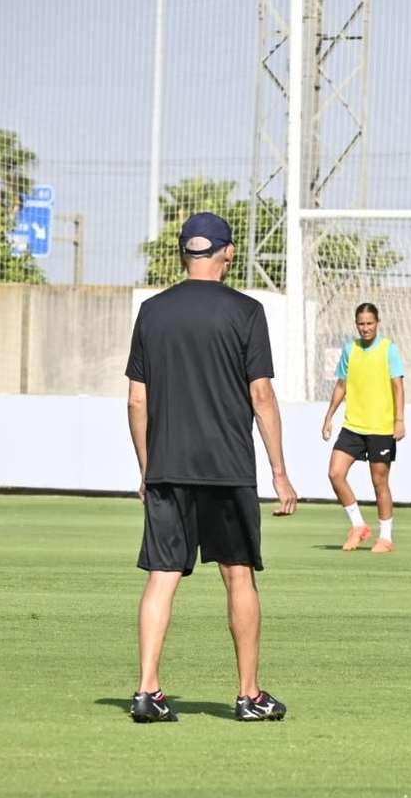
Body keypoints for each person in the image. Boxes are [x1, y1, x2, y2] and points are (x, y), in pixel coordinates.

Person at [125, 211, 299, 724]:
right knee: (238, 575)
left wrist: (146, 467)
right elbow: (261, 394)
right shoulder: (246, 312)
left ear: (184, 254)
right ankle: (249, 696)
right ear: (226, 254)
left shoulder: (152, 312)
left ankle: (146, 691)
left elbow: (137, 400)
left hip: (168, 467)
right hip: (227, 467)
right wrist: (280, 472)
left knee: (161, 577)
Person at [321, 302, 406, 552]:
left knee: (379, 482)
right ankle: (359, 526)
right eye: (361, 324)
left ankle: (386, 538)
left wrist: (399, 420)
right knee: (335, 473)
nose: (365, 328)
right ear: (356, 324)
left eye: (369, 323)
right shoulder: (350, 350)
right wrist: (329, 416)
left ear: (377, 323)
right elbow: (341, 385)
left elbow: (398, 386)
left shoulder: (389, 349)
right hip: (353, 426)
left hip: (381, 427)